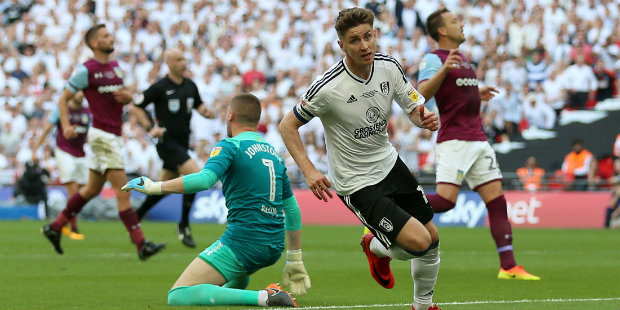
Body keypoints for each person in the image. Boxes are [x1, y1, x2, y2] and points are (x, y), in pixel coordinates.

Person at [279, 8, 442, 310]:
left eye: (368, 36)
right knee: (419, 243)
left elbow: (413, 106)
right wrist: (310, 171)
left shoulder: (388, 66)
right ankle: (375, 247)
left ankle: (423, 306)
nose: (365, 45)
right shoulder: (327, 87)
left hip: (389, 164)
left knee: (432, 238)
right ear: (342, 46)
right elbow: (287, 125)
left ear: (375, 34)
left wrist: (424, 118)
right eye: (355, 40)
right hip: (356, 182)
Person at [122, 93, 308, 307]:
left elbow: (204, 180)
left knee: (178, 295)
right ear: (256, 119)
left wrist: (154, 186)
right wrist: (294, 259)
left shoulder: (230, 146)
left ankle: (265, 297)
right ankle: (246, 293)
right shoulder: (274, 154)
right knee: (238, 276)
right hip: (273, 246)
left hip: (244, 242)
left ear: (230, 115)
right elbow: (292, 209)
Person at [417, 8, 539, 280]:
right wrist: (444, 70)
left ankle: (508, 267)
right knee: (446, 202)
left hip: (478, 139)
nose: (460, 24)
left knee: (497, 202)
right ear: (442, 31)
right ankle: (391, 204)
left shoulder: (463, 58)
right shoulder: (434, 59)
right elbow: (421, 93)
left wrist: (476, 92)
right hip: (455, 140)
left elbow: (456, 92)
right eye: (454, 22)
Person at [41, 24, 165, 260]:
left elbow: (121, 100)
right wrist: (66, 125)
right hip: (102, 136)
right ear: (95, 43)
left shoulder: (115, 68)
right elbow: (63, 99)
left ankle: (55, 227)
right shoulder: (86, 70)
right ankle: (141, 244)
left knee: (91, 189)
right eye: (106, 36)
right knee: (123, 191)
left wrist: (131, 99)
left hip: (113, 135)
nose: (111, 38)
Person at [129, 48, 215, 248]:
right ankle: (183, 224)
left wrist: (207, 112)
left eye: (184, 58)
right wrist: (150, 127)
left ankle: (135, 218)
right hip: (166, 143)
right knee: (196, 176)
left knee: (161, 188)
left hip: (183, 144)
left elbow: (199, 106)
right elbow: (136, 106)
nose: (183, 63)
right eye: (178, 59)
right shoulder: (160, 87)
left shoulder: (190, 86)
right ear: (168, 63)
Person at [32, 91, 89, 240]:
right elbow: (47, 128)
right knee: (73, 191)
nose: (81, 94)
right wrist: (35, 150)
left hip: (81, 153)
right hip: (64, 151)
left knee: (83, 193)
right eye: (78, 91)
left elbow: (89, 133)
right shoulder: (62, 109)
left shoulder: (87, 111)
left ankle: (61, 220)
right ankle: (74, 228)